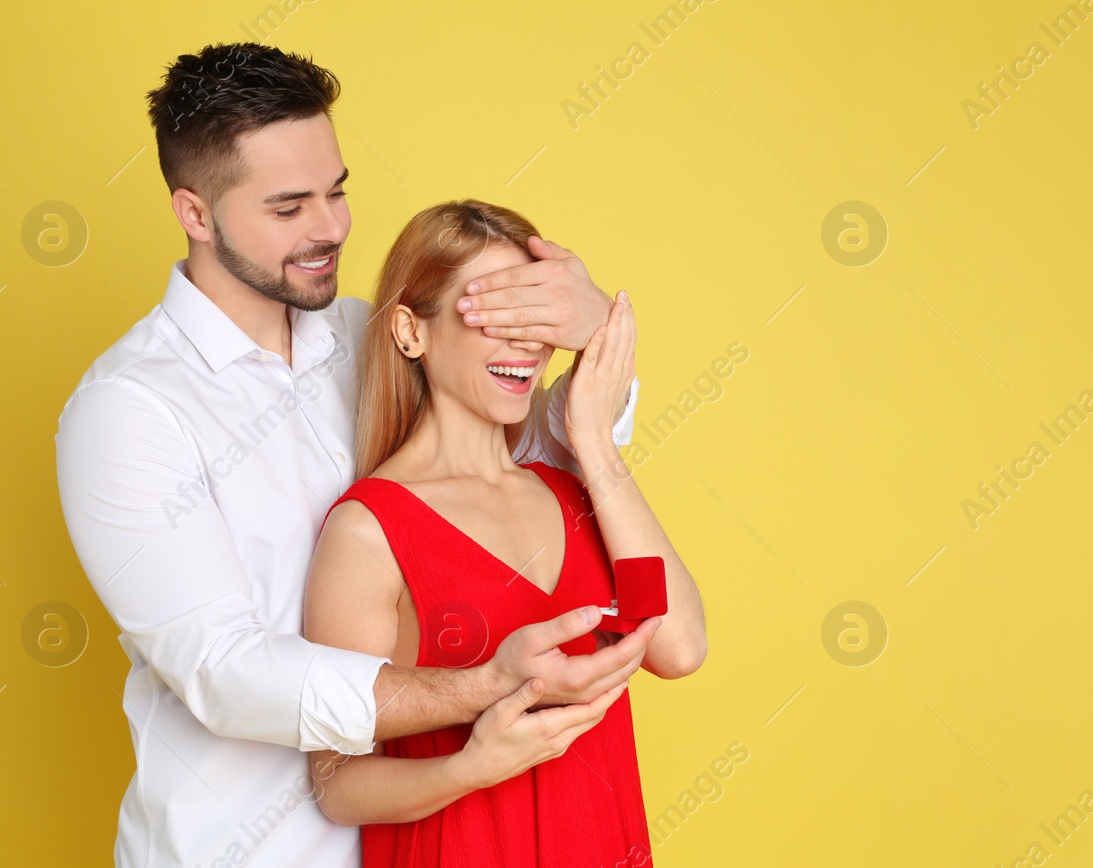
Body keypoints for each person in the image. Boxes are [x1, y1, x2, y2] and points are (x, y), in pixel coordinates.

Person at [53, 43, 658, 868]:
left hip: (427, 839)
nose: (331, 228)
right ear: (195, 213)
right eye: (288, 206)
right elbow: (224, 672)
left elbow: (524, 469)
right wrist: (485, 684)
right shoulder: (128, 412)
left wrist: (593, 336)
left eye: (336, 192)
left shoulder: (367, 335)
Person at [302, 199, 706, 866]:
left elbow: (680, 647)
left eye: (536, 315)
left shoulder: (576, 493)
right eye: (494, 312)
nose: (525, 342)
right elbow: (337, 785)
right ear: (409, 331)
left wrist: (596, 445)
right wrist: (472, 766)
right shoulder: (368, 530)